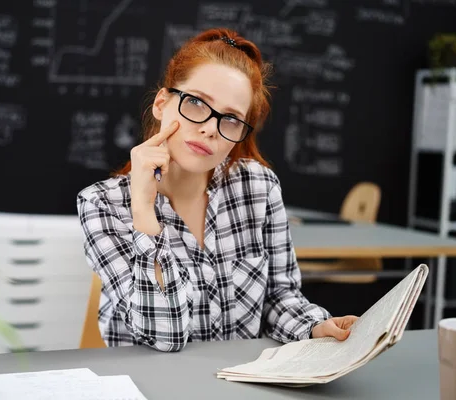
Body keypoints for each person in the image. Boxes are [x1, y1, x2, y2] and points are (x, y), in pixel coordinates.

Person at [77, 28, 357, 352]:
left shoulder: (258, 188)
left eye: (232, 119)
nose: (210, 128)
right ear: (161, 103)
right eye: (196, 103)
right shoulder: (102, 205)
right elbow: (165, 336)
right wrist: (142, 206)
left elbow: (281, 297)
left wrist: (314, 326)